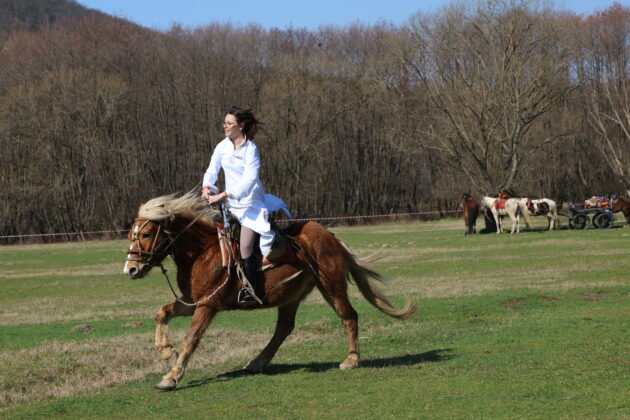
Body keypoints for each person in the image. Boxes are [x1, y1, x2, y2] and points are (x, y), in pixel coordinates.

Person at [201, 106, 274, 306]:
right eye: (224, 123)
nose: (225, 126)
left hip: (251, 206)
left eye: (229, 123)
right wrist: (207, 188)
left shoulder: (251, 149)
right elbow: (212, 170)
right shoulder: (222, 146)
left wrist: (223, 194)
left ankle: (251, 290)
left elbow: (250, 180)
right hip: (230, 206)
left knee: (245, 246)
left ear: (240, 126)